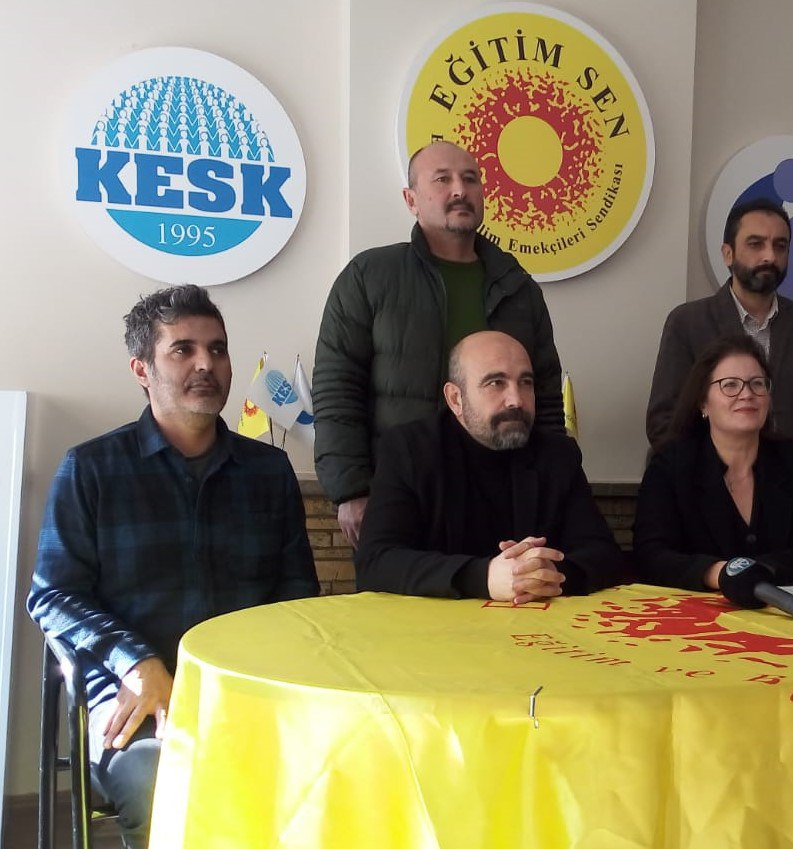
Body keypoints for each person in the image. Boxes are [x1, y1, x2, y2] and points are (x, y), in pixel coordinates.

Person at [27, 285, 319, 849]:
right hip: (132, 694)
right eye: (182, 350)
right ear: (142, 369)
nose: (206, 364)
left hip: (249, 687)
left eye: (218, 349)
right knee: (165, 783)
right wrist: (136, 662)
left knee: (346, 759)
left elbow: (296, 594)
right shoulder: (91, 468)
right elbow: (52, 595)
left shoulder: (269, 471)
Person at [313, 140, 564, 548]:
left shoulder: (518, 288)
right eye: (442, 179)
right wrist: (350, 489)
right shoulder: (369, 276)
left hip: (504, 500)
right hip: (400, 495)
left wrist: (556, 486)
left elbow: (546, 396)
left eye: (470, 179)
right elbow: (336, 387)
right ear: (411, 199)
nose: (460, 190)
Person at [354, 331, 624, 602]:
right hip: (437, 625)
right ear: (455, 399)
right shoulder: (409, 450)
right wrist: (483, 577)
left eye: (526, 382)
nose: (516, 400)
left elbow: (604, 556)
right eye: (496, 383)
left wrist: (547, 573)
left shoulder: (558, 455)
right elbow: (375, 563)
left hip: (537, 623)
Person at [634, 334, 793, 592]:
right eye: (730, 385)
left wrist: (762, 571)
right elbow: (651, 557)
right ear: (703, 402)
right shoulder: (669, 467)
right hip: (697, 612)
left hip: (783, 608)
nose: (747, 394)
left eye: (757, 384)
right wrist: (718, 574)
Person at [646, 197, 793, 475]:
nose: (769, 256)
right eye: (755, 244)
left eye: (780, 246)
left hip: (789, 491)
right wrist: (719, 480)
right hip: (704, 489)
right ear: (728, 254)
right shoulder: (688, 323)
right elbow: (663, 421)